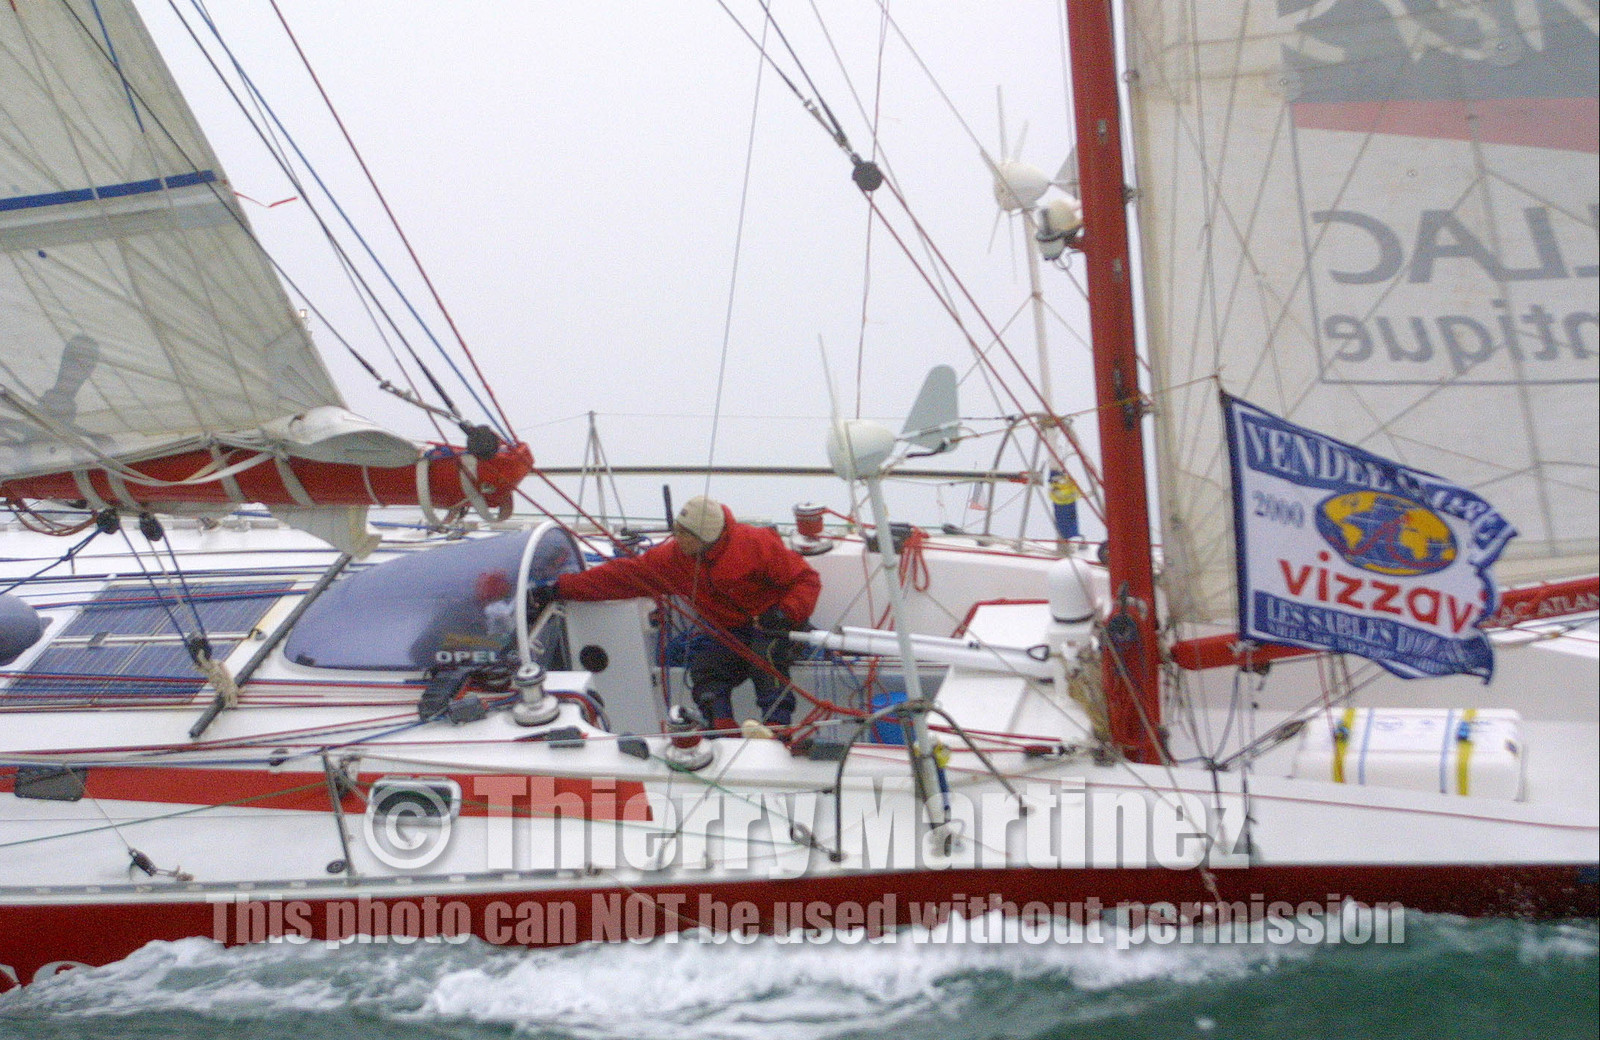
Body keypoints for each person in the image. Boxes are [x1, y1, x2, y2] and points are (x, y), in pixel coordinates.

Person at [533, 496, 820, 731]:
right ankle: (722, 728)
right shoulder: (674, 559)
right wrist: (561, 588)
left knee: (765, 657)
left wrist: (785, 613)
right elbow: (623, 576)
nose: (677, 537)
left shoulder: (755, 543)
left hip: (775, 624)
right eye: (677, 529)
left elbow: (806, 580)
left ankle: (778, 727)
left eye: (685, 533)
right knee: (705, 668)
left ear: (706, 537)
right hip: (731, 632)